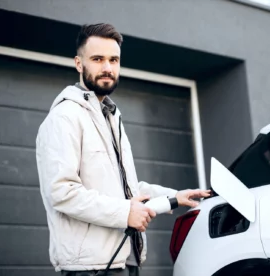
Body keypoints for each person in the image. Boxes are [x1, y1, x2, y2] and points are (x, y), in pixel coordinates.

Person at [35, 23, 211, 276]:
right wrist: (125, 212)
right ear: (78, 64)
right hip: (89, 268)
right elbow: (61, 192)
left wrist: (176, 196)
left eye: (114, 60)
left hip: (125, 260)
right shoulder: (64, 118)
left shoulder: (111, 117)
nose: (107, 68)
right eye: (97, 59)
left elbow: (127, 191)